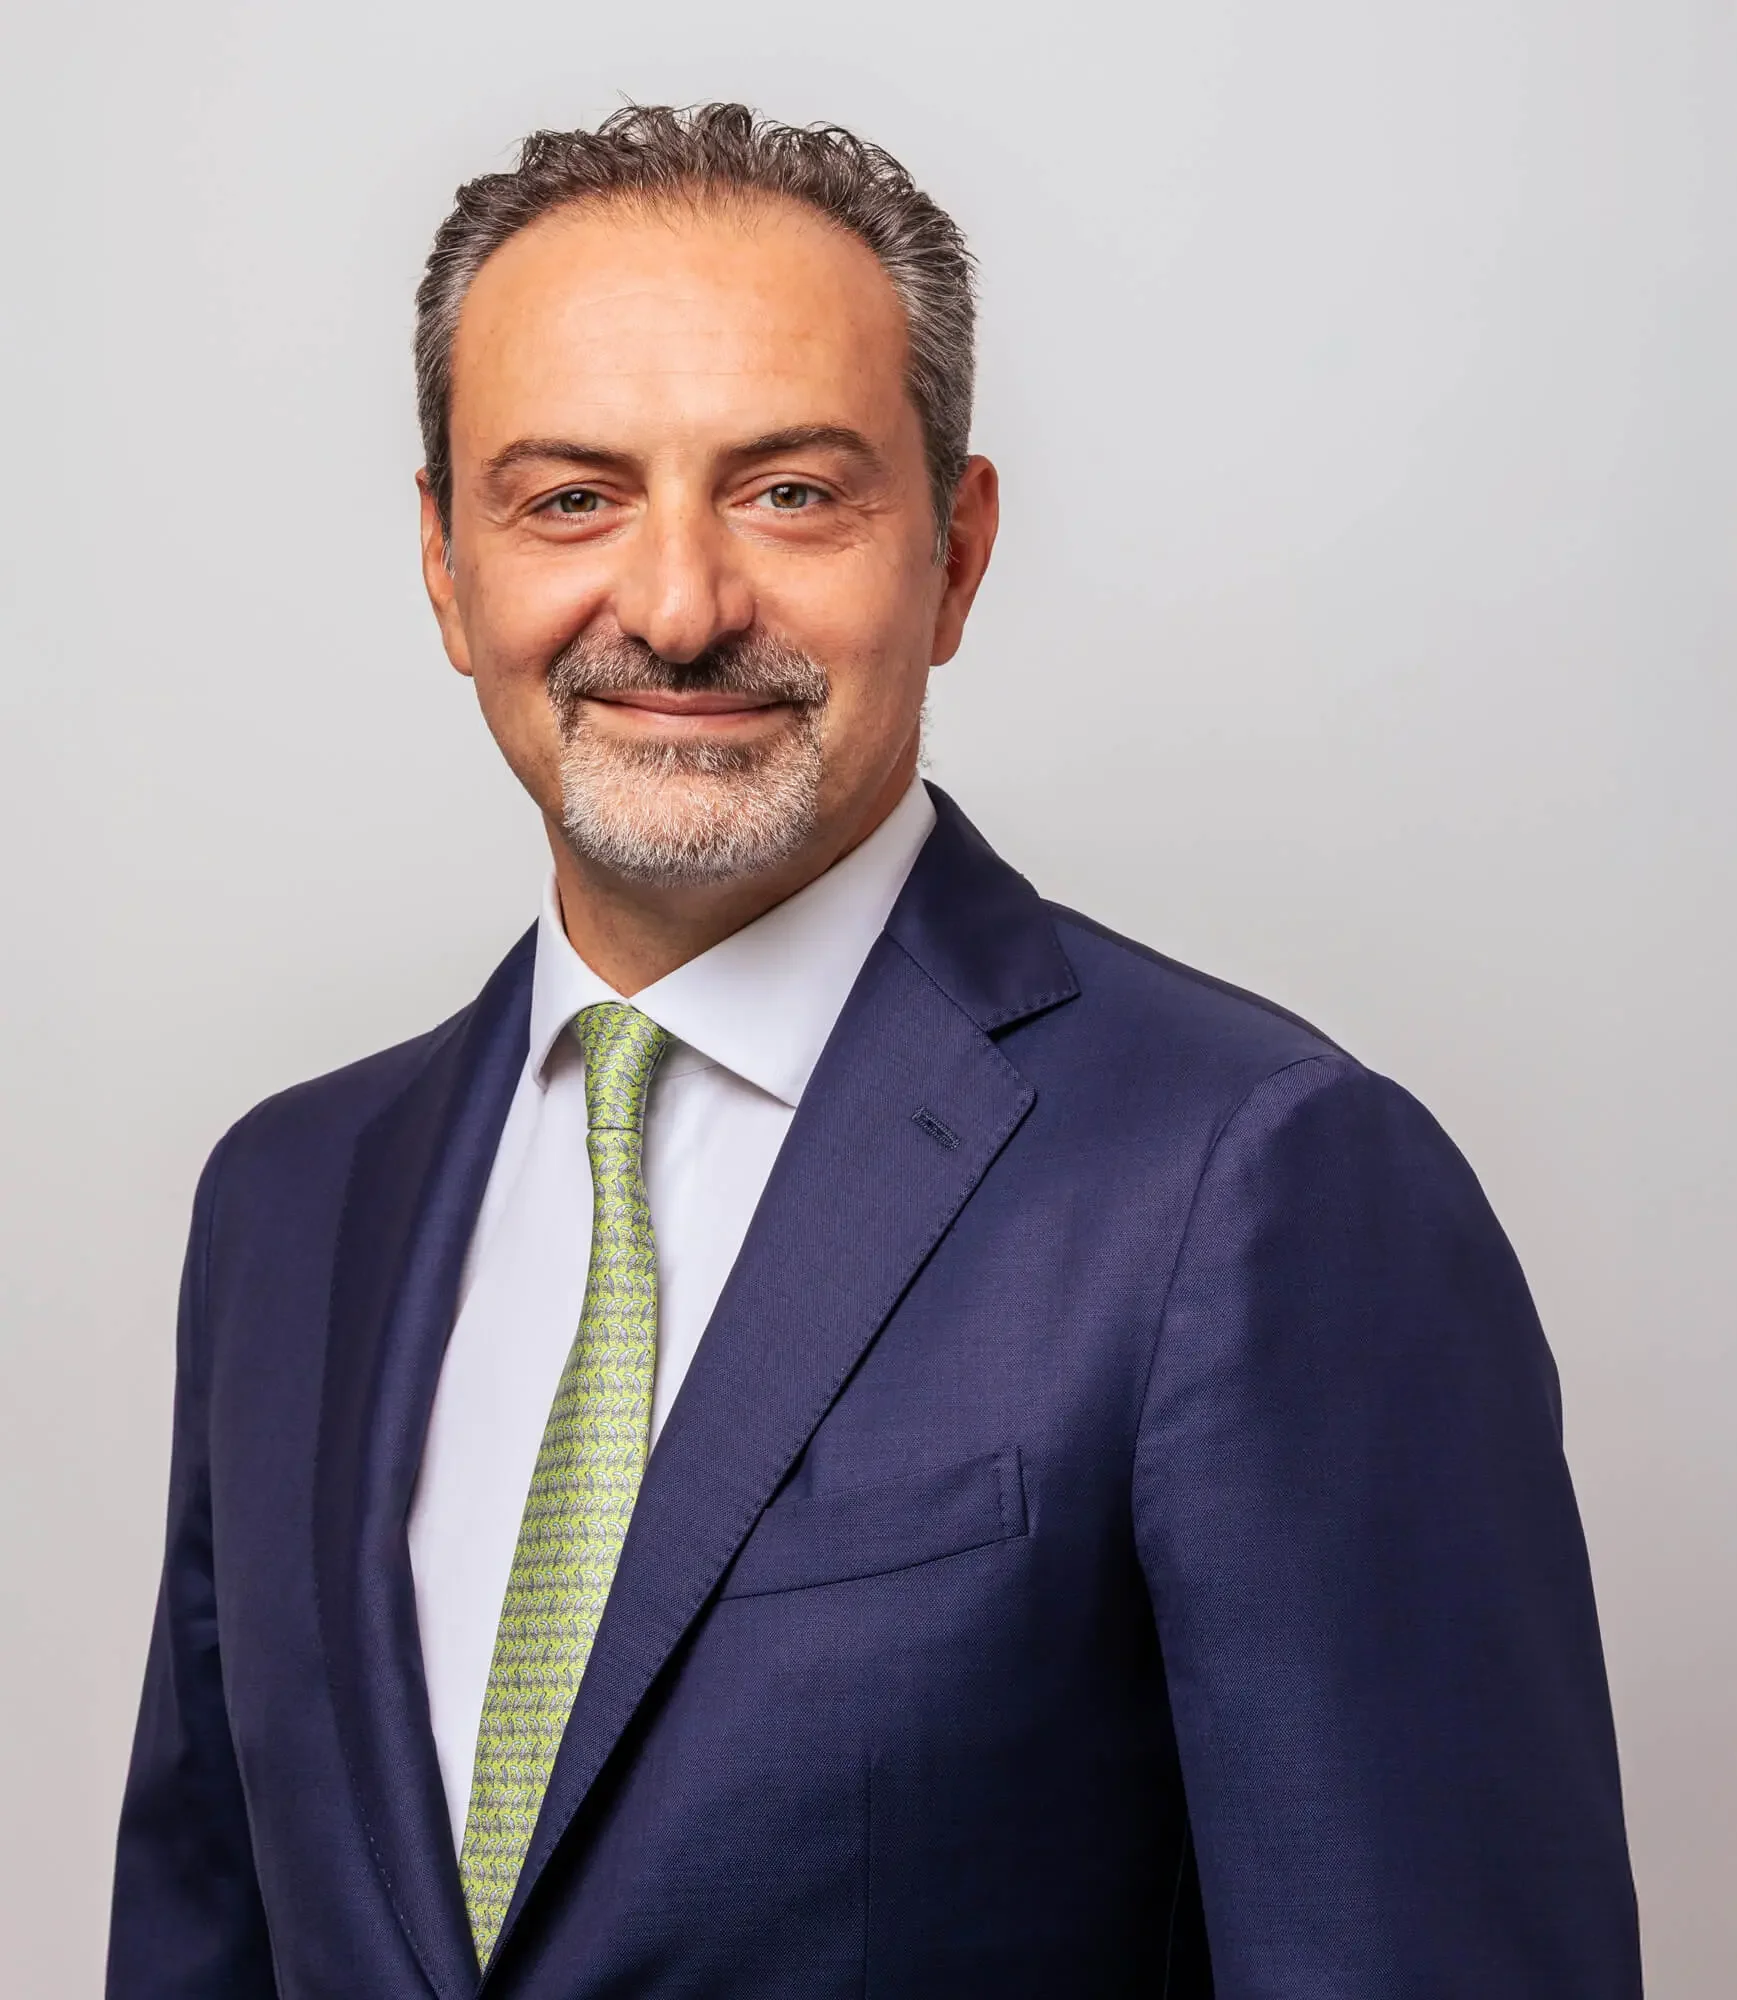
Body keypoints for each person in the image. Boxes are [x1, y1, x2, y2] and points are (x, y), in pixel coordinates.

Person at [107, 103, 1642, 1998]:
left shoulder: (1255, 1183)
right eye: (571, 498)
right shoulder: (287, 1206)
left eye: (789, 493)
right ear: (444, 562)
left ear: (958, 553)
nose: (677, 606)